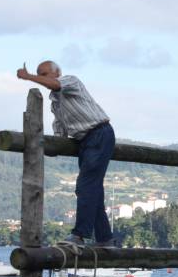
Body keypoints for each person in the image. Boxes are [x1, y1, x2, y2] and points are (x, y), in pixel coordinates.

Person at [17, 61, 115, 247]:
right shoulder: (56, 104)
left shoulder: (70, 80)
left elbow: (55, 84)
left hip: (98, 134)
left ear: (57, 72)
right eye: (39, 74)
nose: (41, 78)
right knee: (93, 190)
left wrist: (28, 76)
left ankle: (80, 235)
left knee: (86, 187)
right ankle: (105, 238)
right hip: (86, 141)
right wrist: (45, 147)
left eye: (44, 74)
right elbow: (60, 134)